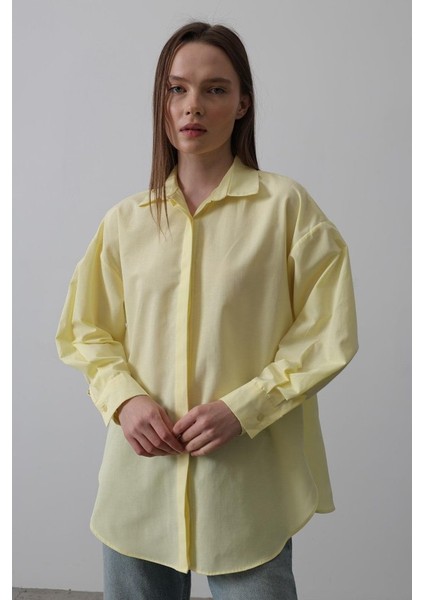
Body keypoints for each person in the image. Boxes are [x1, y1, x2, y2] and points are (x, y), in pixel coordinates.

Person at [56, 21, 358, 600]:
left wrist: (244, 408)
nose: (192, 105)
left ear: (243, 103)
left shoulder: (287, 210)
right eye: (177, 89)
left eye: (215, 89)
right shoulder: (125, 223)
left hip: (246, 492)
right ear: (162, 101)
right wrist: (124, 399)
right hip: (138, 487)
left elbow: (327, 333)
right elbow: (85, 329)